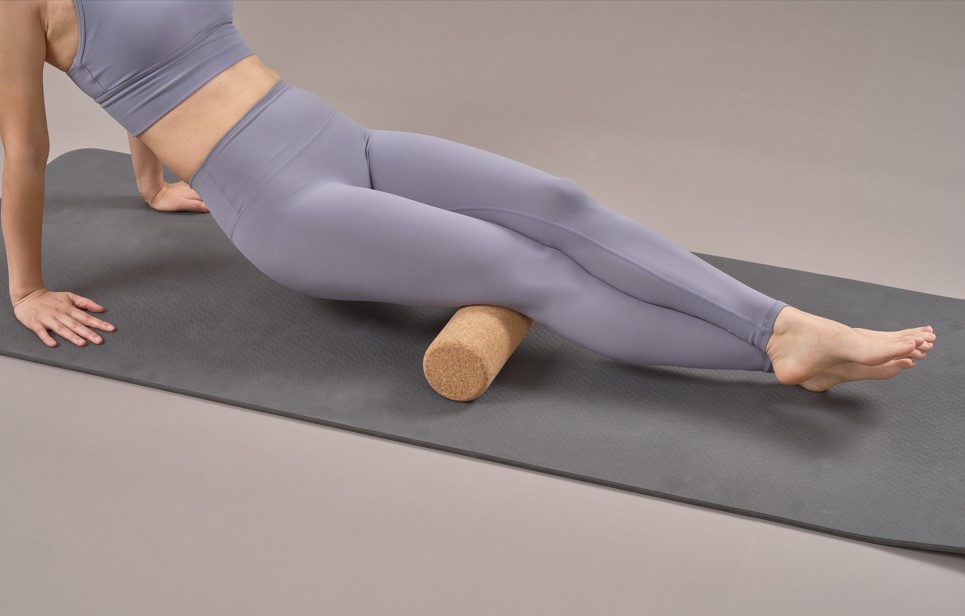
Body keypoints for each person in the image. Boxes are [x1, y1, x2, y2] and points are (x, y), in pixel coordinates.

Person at [0, 0, 935, 393]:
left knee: (561, 202)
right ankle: (780, 350)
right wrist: (28, 288)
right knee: (527, 270)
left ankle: (779, 323)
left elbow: (146, 69)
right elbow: (24, 146)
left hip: (340, 138)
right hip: (281, 205)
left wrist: (152, 182)